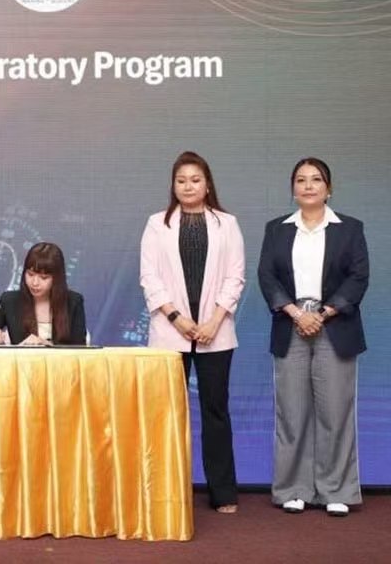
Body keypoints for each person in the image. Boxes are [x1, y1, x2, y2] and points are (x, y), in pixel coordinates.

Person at [258, 157, 368, 518]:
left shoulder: (349, 229)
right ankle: (293, 488)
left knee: (335, 411)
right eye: (301, 180)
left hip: (334, 325)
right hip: (290, 323)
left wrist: (322, 314)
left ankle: (335, 489)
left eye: (316, 179)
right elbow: (267, 276)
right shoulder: (277, 229)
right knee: (292, 412)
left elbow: (358, 277)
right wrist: (296, 313)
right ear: (293, 188)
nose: (308, 186)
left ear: (328, 188)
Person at [139, 151, 244, 514]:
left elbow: (235, 277)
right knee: (167, 413)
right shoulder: (157, 224)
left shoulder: (227, 224)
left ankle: (223, 493)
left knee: (216, 412)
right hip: (170, 331)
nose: (188, 186)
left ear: (208, 184)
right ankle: (164, 491)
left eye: (195, 180)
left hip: (217, 331)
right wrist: (176, 318)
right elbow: (149, 277)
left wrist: (214, 321)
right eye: (181, 180)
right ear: (173, 185)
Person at [0, 242, 86, 346]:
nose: (35, 283)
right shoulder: (10, 300)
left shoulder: (73, 301)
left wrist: (45, 345)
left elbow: (80, 348)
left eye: (43, 278)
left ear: (57, 278)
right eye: (30, 274)